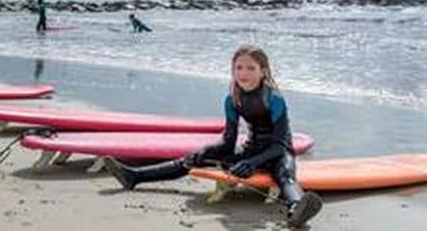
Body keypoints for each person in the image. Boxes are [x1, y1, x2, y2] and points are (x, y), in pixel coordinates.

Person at [102, 44, 322, 228]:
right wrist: (207, 151)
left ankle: (297, 210)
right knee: (192, 159)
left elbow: (280, 145)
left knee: (285, 175)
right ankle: (134, 176)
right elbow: (228, 140)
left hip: (277, 153)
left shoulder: (274, 99)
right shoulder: (232, 100)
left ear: (263, 71)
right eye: (238, 67)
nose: (243, 73)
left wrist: (253, 162)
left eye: (250, 68)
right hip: (251, 150)